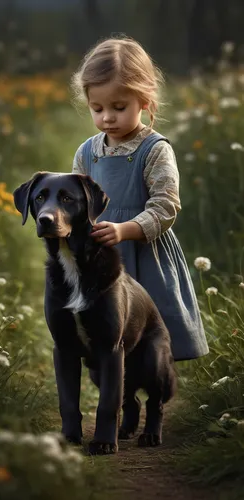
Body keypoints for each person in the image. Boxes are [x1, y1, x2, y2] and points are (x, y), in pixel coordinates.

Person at [71, 36, 209, 361]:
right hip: (102, 258)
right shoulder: (87, 152)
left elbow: (166, 206)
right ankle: (116, 393)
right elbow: (76, 203)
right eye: (98, 108)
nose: (107, 117)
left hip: (144, 255)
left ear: (144, 99)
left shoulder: (154, 150)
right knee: (107, 332)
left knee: (149, 337)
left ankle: (155, 391)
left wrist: (126, 229)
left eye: (119, 107)